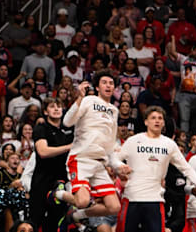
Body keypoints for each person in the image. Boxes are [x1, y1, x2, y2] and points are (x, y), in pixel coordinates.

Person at [115, 107, 196, 232]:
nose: (157, 121)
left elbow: (186, 168)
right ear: (146, 122)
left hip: (155, 200)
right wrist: (119, 168)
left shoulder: (169, 144)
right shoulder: (133, 141)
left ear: (164, 123)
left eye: (160, 118)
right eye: (153, 118)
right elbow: (114, 159)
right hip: (132, 199)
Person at [56, 72, 127, 231]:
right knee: (81, 201)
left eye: (111, 83)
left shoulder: (114, 111)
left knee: (114, 206)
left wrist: (118, 165)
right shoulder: (88, 101)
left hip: (99, 164)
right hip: (81, 159)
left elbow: (109, 145)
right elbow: (67, 122)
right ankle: (58, 194)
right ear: (97, 87)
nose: (108, 85)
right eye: (104, 82)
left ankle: (76, 217)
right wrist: (80, 98)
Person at [33, 98, 73, 232]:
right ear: (45, 111)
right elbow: (43, 152)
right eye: (52, 106)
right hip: (42, 181)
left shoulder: (68, 130)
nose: (56, 109)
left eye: (59, 106)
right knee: (37, 221)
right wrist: (69, 147)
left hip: (61, 181)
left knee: (57, 221)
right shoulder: (41, 128)